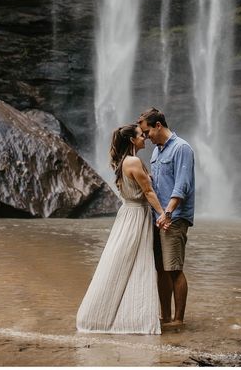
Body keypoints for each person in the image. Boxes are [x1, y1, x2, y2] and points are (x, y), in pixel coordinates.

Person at [76, 123, 168, 334]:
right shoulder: (134, 161)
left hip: (128, 214)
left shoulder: (122, 161)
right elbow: (148, 192)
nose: (144, 137)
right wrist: (163, 214)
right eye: (140, 135)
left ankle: (114, 316)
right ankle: (131, 319)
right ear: (131, 140)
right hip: (136, 215)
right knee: (136, 263)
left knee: (123, 261)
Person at [137, 107, 195, 330]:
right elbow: (158, 184)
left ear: (158, 125)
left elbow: (182, 184)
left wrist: (168, 212)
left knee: (174, 269)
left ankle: (179, 319)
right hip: (157, 216)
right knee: (161, 269)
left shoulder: (182, 148)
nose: (146, 137)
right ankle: (166, 317)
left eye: (147, 132)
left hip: (174, 217)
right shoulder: (156, 152)